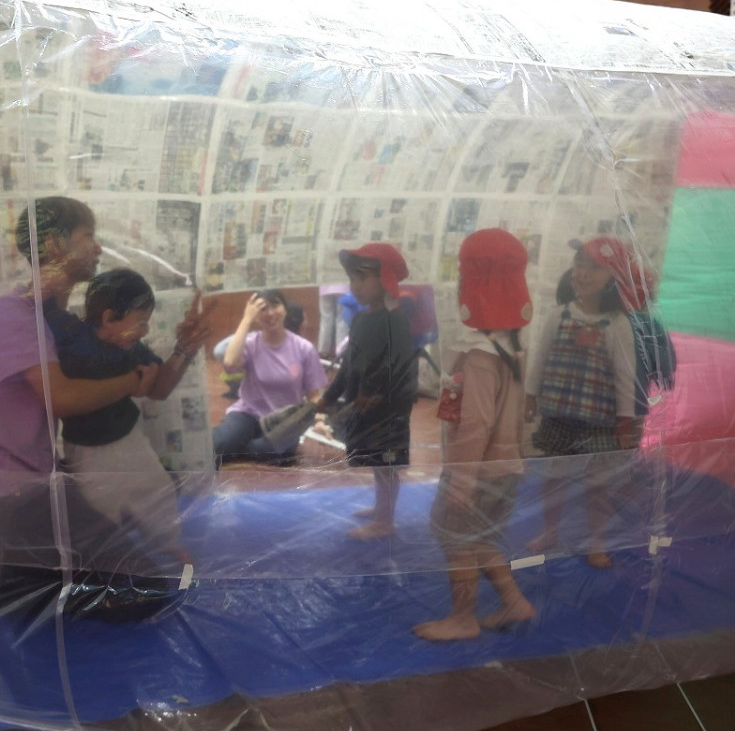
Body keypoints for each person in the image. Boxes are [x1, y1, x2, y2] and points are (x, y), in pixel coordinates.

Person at [0, 196, 212, 613]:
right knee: (138, 595)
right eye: (88, 236)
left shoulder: (65, 326)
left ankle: (18, 565)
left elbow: (158, 387)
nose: (98, 247)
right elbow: (65, 399)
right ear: (54, 244)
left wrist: (184, 348)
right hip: (7, 497)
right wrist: (132, 381)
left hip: (42, 483)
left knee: (143, 583)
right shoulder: (12, 314)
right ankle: (5, 569)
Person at [414, 229, 536, 641]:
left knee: (456, 540)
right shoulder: (509, 347)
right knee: (481, 538)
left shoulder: (481, 356)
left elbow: (475, 425)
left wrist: (461, 484)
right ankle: (513, 602)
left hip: (477, 472)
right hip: (505, 470)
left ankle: (463, 618)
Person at [50, 268, 206, 566]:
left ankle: (167, 542)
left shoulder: (131, 349)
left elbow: (160, 388)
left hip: (129, 440)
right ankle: (108, 553)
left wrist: (184, 350)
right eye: (141, 321)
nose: (145, 330)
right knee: (100, 508)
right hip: (86, 452)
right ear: (109, 318)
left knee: (157, 490)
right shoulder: (72, 339)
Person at [524, 236, 640, 569]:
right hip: (558, 417)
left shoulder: (618, 324)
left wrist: (625, 418)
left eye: (595, 268)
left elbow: (625, 374)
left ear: (613, 277)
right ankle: (550, 531)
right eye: (579, 265)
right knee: (554, 479)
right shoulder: (558, 315)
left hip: (598, 421)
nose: (583, 273)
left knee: (597, 486)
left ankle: (597, 541)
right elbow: (540, 359)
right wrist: (530, 395)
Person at [319, 243, 415, 540]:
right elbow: (349, 363)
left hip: (388, 411)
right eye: (352, 279)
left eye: (363, 278)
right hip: (365, 406)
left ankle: (385, 521)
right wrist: (330, 395)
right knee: (377, 461)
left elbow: (398, 365)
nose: (356, 286)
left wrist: (375, 393)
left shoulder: (395, 319)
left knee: (387, 464)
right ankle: (380, 508)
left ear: (385, 279)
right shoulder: (361, 319)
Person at [212, 289, 327, 467]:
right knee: (218, 445)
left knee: (275, 455)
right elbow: (229, 363)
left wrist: (319, 421)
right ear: (255, 315)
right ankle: (237, 439)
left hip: (284, 420)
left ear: (285, 309)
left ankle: (244, 445)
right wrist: (246, 319)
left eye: (275, 305)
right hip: (248, 413)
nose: (270, 313)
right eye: (263, 309)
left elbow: (314, 395)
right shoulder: (251, 343)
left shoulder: (304, 348)